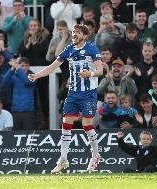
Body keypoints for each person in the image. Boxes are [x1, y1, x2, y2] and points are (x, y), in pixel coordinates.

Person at [28, 24, 103, 173]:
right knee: (65, 124)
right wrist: (37, 75)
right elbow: (52, 66)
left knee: (86, 125)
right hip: (73, 93)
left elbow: (100, 70)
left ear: (85, 35)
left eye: (77, 33)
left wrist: (90, 74)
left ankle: (95, 155)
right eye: (73, 32)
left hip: (88, 93)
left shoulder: (92, 48)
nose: (74, 34)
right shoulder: (69, 49)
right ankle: (63, 159)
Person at [2, 57, 36, 130]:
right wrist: (12, 68)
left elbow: (27, 81)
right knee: (15, 135)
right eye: (22, 65)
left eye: (26, 65)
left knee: (29, 135)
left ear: (29, 66)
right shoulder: (14, 76)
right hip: (15, 111)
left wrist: (18, 68)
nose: (24, 67)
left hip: (28, 111)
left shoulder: (33, 76)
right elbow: (4, 82)